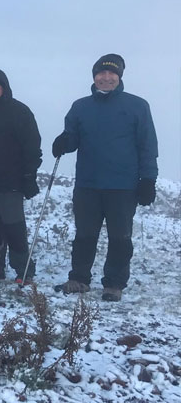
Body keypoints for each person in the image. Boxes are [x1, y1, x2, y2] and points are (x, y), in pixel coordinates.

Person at [52, 54, 158, 302]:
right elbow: (72, 137)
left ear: (119, 77)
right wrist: (63, 143)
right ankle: (78, 278)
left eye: (112, 73)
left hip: (123, 186)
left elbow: (148, 145)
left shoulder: (137, 106)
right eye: (101, 73)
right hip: (88, 184)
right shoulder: (80, 106)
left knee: (120, 237)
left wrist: (148, 180)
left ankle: (114, 283)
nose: (106, 77)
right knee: (84, 235)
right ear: (94, 77)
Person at [0, 69, 42, 284]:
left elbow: (32, 146)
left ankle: (23, 271)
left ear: (4, 87)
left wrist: (29, 175)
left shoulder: (19, 112)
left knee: (14, 228)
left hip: (11, 182)